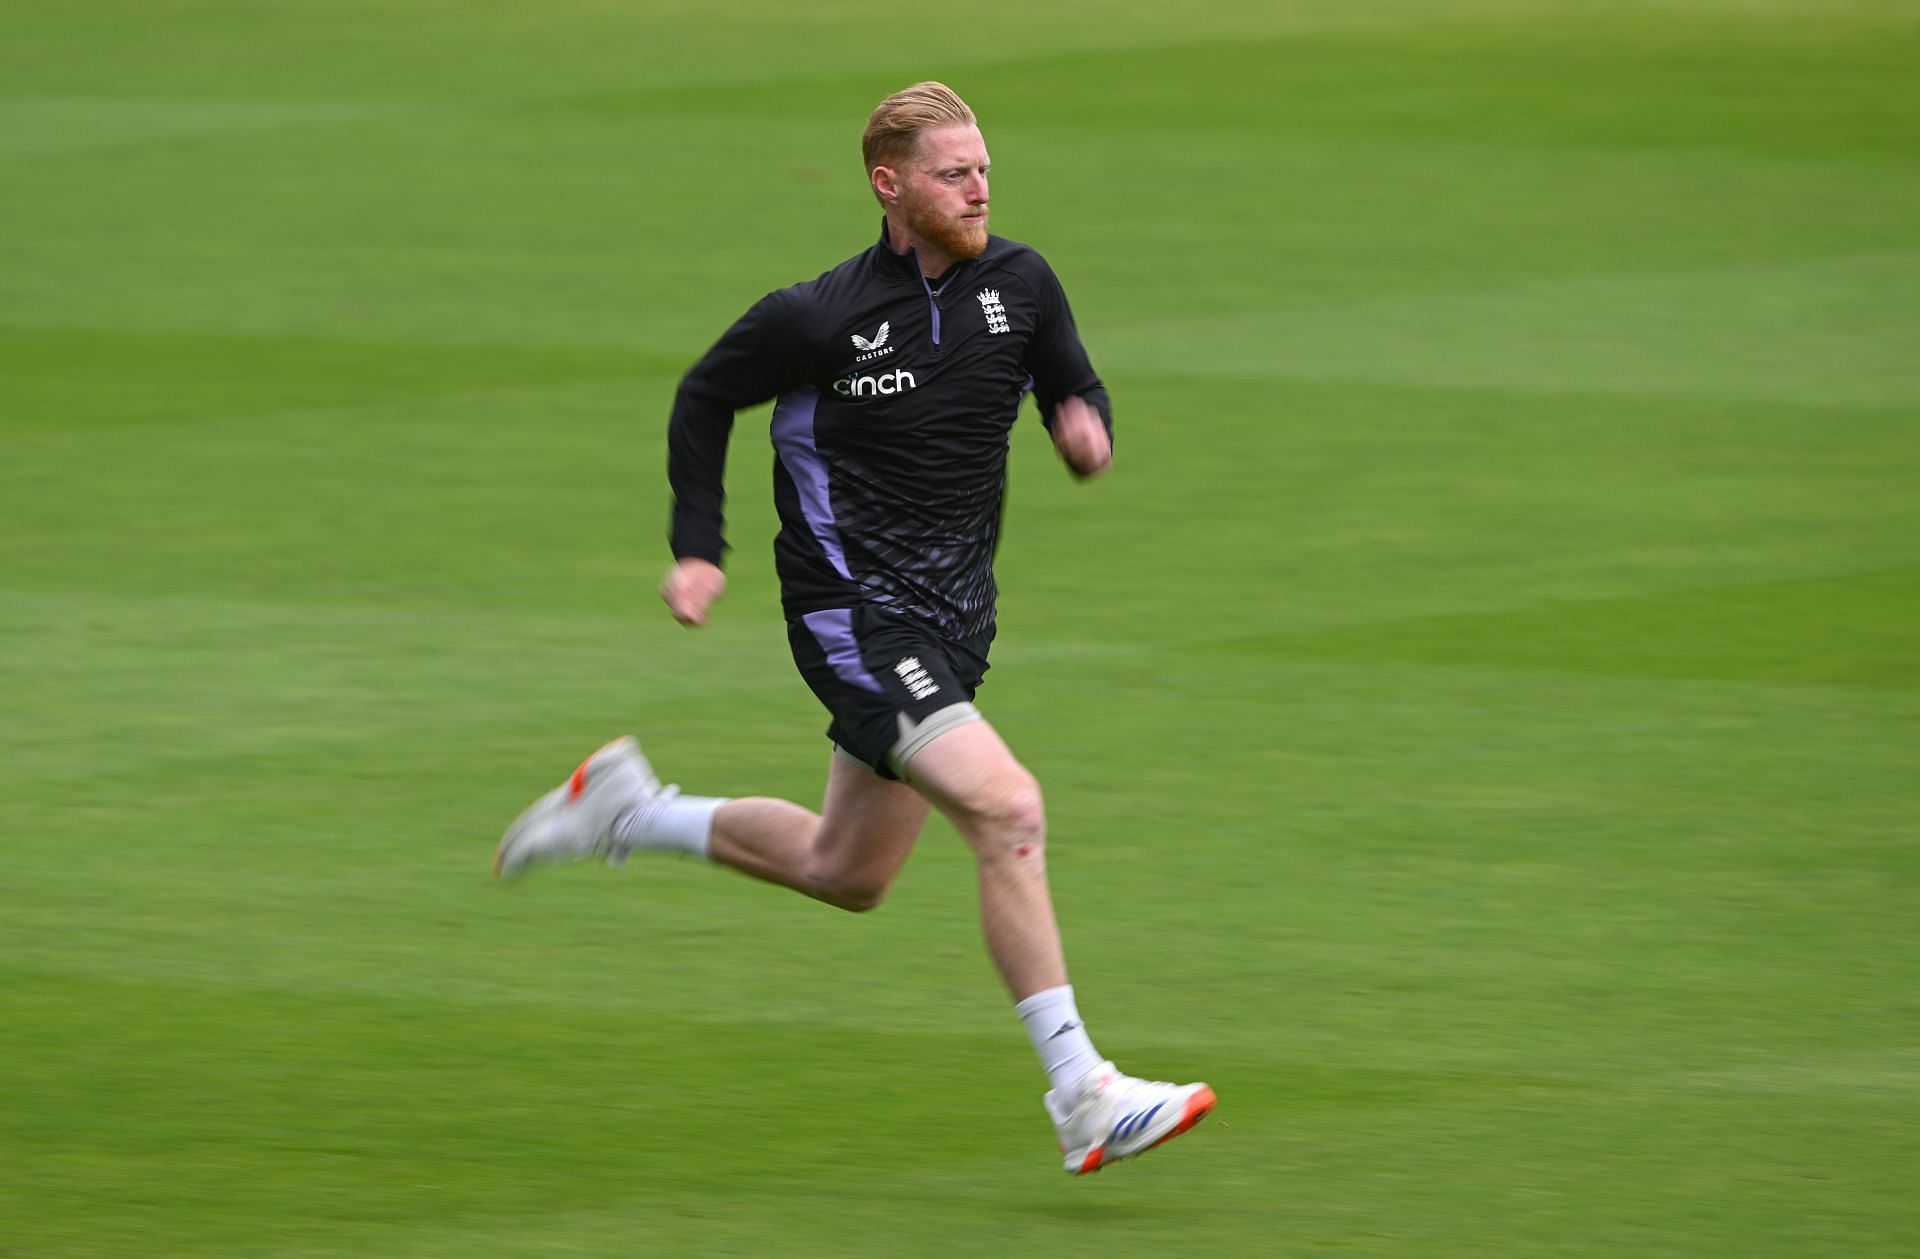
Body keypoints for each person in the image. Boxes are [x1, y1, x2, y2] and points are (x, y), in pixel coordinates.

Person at [496, 81, 1214, 1175]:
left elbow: (1072, 379)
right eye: (952, 172)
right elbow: (702, 397)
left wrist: (1084, 426)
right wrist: (700, 546)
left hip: (958, 620)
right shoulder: (817, 317)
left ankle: (630, 812)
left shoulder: (1021, 282)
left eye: (983, 168)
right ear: (889, 185)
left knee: (850, 870)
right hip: (853, 614)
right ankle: (1084, 1089)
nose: (978, 188)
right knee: (1008, 806)